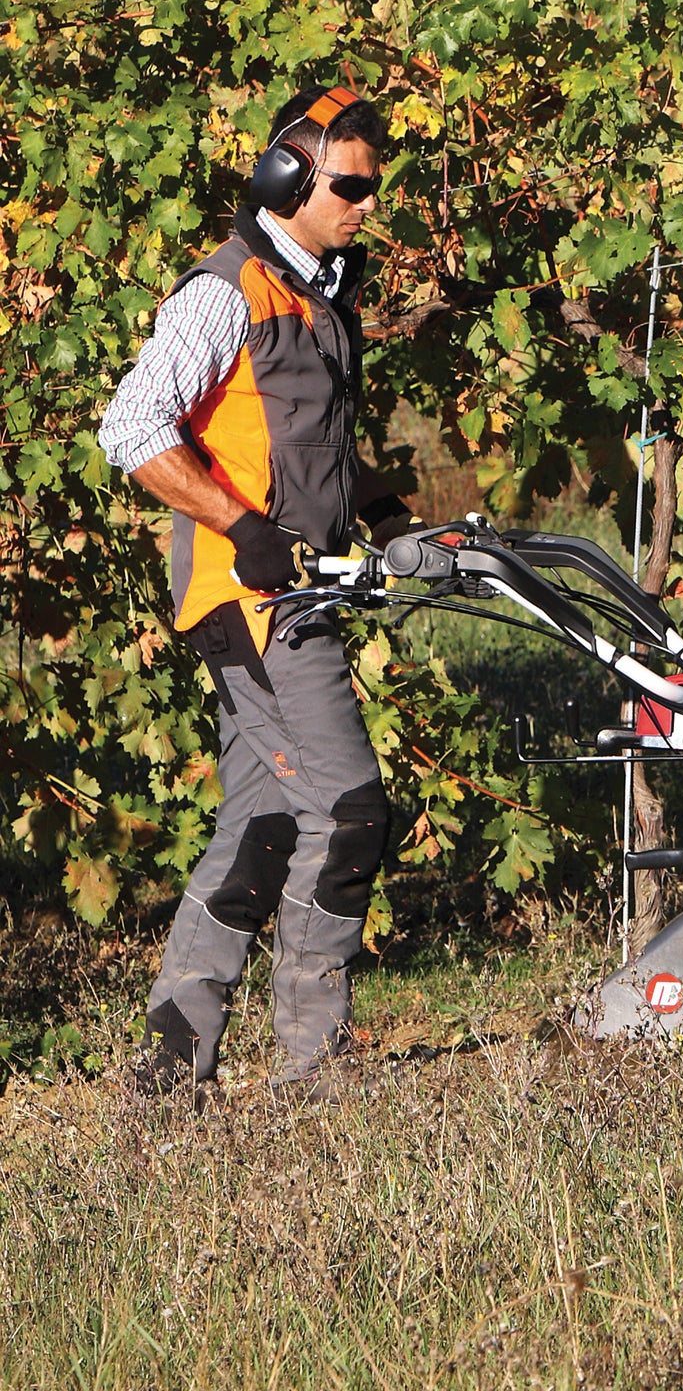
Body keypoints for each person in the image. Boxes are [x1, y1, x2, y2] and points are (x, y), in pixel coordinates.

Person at [96, 84, 413, 1096]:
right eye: (349, 182)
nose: (366, 200)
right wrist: (240, 525)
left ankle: (169, 1066)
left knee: (264, 822)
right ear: (288, 177)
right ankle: (315, 1072)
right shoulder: (225, 291)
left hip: (303, 594)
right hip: (249, 600)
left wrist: (393, 515)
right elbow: (132, 427)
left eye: (374, 182)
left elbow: (309, 444)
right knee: (351, 806)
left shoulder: (319, 293)